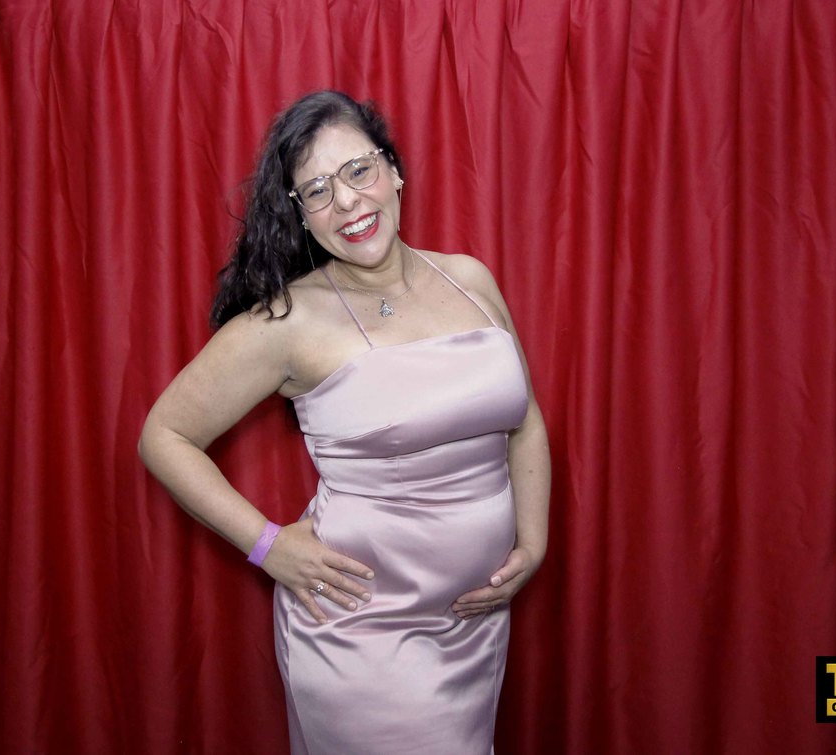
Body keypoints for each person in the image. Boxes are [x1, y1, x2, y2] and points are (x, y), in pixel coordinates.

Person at [138, 90, 550, 755]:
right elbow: (165, 435)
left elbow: (522, 417)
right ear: (302, 216)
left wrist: (532, 541)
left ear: (394, 170)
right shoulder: (288, 322)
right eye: (318, 190)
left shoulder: (469, 279)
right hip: (362, 633)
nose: (348, 201)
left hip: (474, 625)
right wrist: (268, 545)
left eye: (359, 170)